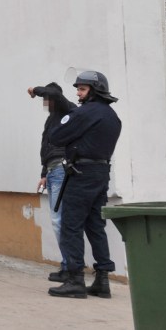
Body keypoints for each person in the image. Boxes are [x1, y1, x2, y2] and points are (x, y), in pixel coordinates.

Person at [48, 70, 122, 299]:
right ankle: (102, 279)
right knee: (95, 227)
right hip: (101, 173)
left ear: (94, 90)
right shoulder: (112, 115)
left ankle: (75, 279)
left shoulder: (86, 113)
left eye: (82, 89)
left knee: (71, 226)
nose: (78, 93)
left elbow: (56, 136)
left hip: (81, 174)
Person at [29, 82, 76, 281]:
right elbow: (48, 149)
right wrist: (43, 174)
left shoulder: (66, 109)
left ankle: (70, 267)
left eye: (47, 99)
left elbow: (54, 93)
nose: (45, 102)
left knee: (60, 221)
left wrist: (35, 90)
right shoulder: (53, 119)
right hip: (53, 170)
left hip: (60, 170)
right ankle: (69, 265)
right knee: (60, 220)